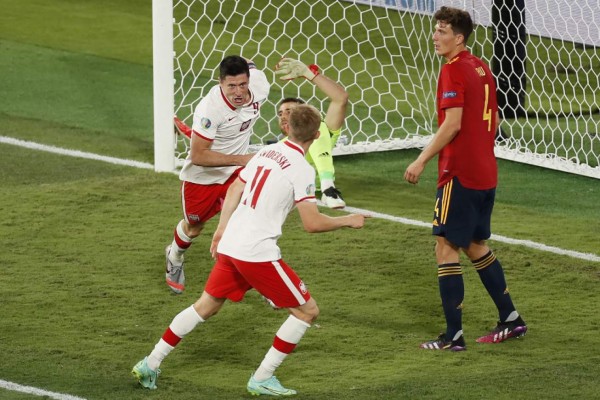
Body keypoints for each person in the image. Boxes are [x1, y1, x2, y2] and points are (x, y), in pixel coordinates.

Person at [132, 104, 367, 395]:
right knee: (307, 311)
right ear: (317, 135)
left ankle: (150, 363)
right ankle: (262, 377)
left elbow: (234, 189)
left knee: (205, 306)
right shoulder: (302, 169)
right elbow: (312, 223)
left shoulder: (264, 153)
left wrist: (220, 230)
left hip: (232, 243)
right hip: (256, 252)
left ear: (288, 128)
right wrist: (348, 220)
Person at [404, 6, 527, 351]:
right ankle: (511, 319)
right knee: (475, 245)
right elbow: (490, 119)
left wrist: (421, 159)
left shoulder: (454, 70)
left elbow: (453, 124)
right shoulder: (482, 67)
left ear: (459, 38)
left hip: (459, 173)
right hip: (486, 172)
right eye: (435, 30)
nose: (435, 37)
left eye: (442, 31)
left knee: (445, 248)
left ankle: (452, 337)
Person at [165, 55, 270, 294]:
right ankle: (174, 256)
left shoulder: (260, 86)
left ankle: (260, 279)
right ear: (220, 83)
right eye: (231, 86)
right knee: (194, 226)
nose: (238, 92)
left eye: (243, 84)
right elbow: (199, 156)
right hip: (203, 177)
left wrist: (242, 165)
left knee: (249, 221)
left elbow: (250, 63)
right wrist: (243, 159)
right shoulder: (210, 110)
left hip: (237, 174)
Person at [273, 58, 349, 209]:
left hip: (313, 188)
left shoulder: (322, 131)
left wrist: (311, 75)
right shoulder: (278, 148)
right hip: (291, 189)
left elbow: (340, 99)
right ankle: (328, 190)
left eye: (290, 111)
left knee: (317, 127)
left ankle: (328, 189)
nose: (283, 116)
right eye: (280, 113)